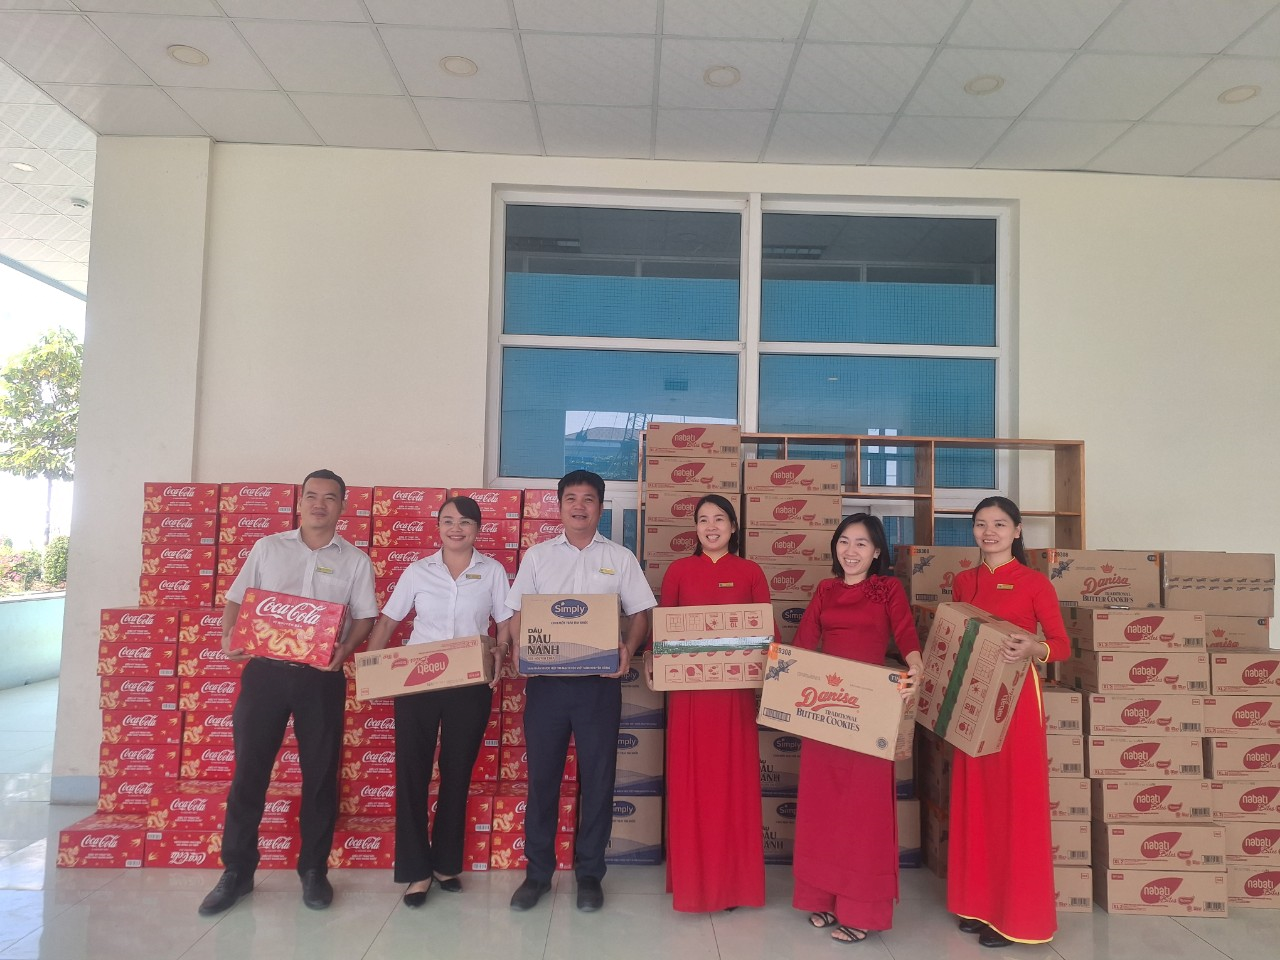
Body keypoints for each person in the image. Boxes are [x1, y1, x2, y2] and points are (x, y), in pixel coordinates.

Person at [198, 469, 378, 916]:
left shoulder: (356, 561)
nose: (320, 504)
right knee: (249, 771)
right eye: (312, 496)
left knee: (320, 775)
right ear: (299, 502)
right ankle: (237, 870)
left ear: (343, 507)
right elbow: (238, 597)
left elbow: (365, 616)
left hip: (321, 678)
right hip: (265, 674)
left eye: (330, 498)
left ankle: (314, 869)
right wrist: (227, 636)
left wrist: (346, 650)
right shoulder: (268, 548)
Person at [505, 470, 656, 913]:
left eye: (588, 499)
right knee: (543, 781)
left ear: (600, 507)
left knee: (598, 780)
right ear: (559, 506)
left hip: (598, 688)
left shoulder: (620, 558)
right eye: (571, 498)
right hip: (547, 687)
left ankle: (590, 874)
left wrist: (629, 648)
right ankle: (537, 873)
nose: (579, 506)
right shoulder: (538, 557)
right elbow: (517, 611)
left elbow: (641, 613)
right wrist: (517, 647)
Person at [364, 495, 512, 908]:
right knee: (412, 772)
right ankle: (416, 870)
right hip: (417, 681)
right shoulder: (418, 571)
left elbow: (505, 622)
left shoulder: (492, 571)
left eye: (465, 522)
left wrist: (501, 652)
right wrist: (371, 666)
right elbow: (389, 620)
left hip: (469, 682)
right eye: (448, 521)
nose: (456, 528)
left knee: (457, 772)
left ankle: (446, 865)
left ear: (477, 529)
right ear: (438, 527)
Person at [790, 513, 921, 945]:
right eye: (844, 541)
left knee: (864, 814)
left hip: (869, 712)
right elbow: (804, 643)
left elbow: (906, 634)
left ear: (877, 551)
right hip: (824, 711)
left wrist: (917, 666)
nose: (850, 551)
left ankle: (861, 909)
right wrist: (785, 676)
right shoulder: (825, 590)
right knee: (823, 808)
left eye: (861, 543)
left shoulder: (888, 589)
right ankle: (824, 898)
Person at [946, 496, 1068, 949]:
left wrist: (1034, 648)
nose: (989, 532)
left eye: (999, 524)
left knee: (1015, 803)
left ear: (1017, 531)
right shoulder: (963, 581)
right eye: (981, 524)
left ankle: (1015, 917)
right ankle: (978, 905)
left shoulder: (1035, 583)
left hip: (1016, 703)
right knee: (975, 799)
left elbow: (1061, 644)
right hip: (973, 699)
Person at [658, 494, 770, 912]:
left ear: (733, 526)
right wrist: (657, 659)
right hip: (689, 698)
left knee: (732, 788)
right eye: (703, 520)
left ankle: (733, 886)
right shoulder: (678, 571)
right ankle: (693, 884)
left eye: (719, 519)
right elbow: (663, 632)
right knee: (691, 787)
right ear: (695, 528)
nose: (711, 527)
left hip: (734, 699)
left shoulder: (750, 572)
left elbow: (766, 634)